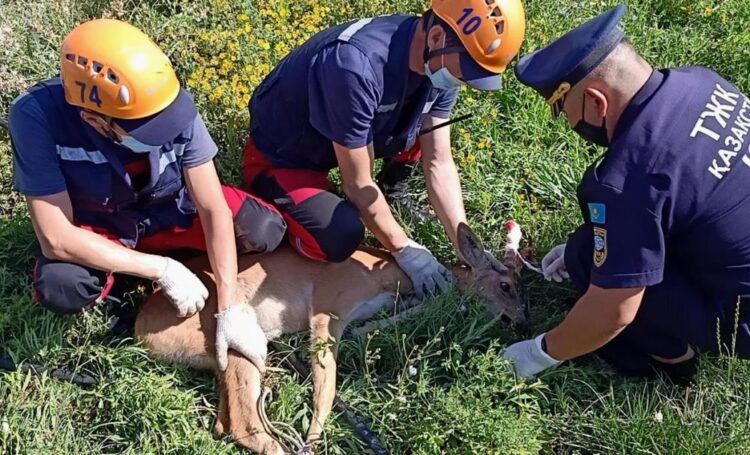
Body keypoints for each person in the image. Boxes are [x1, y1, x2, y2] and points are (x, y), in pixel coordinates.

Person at [9, 19, 286, 371]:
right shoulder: (36, 116)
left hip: (169, 211)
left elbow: (212, 205)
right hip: (102, 224)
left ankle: (186, 269)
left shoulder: (167, 100)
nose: (166, 128)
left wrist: (230, 305)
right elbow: (57, 237)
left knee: (263, 229)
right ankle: (124, 284)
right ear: (95, 120)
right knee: (63, 285)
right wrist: (161, 269)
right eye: (147, 126)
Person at [502, 5, 750, 381]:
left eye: (562, 110)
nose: (568, 124)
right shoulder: (702, 81)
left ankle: (671, 366)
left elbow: (613, 310)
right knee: (593, 246)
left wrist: (536, 354)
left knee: (590, 256)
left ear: (596, 102)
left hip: (743, 319)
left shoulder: (624, 179)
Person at [242, 0, 526, 297]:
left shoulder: (442, 60)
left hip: (345, 136)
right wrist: (404, 249)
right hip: (286, 154)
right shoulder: (355, 66)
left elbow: (439, 161)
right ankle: (283, 211)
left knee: (423, 127)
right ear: (437, 37)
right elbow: (358, 184)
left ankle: (391, 194)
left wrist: (467, 245)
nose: (467, 79)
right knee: (339, 235)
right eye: (468, 68)